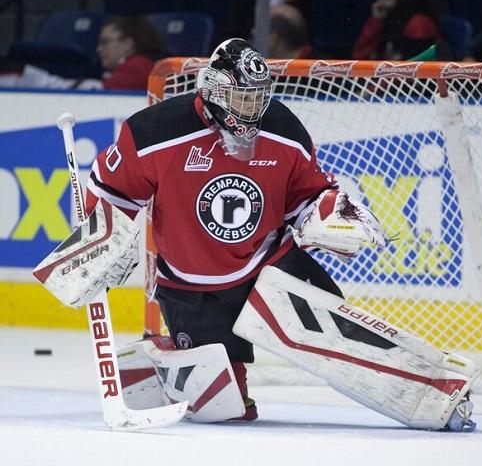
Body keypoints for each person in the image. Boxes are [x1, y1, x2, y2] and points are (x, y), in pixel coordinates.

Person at [83, 38, 385, 421]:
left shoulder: (282, 127)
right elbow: (112, 190)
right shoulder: (156, 130)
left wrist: (329, 212)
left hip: (270, 265)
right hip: (192, 285)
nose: (252, 109)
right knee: (229, 411)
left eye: (258, 97)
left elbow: (308, 193)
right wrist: (100, 242)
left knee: (341, 336)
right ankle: (171, 355)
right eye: (242, 98)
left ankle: (403, 377)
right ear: (212, 89)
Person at [0, 15, 165, 90]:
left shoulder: (139, 67)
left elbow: (100, 93)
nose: (99, 49)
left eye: (105, 42)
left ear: (128, 44)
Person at [351, 0, 443, 60]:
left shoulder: (418, 24)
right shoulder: (389, 17)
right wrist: (376, 19)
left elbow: (414, 69)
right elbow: (359, 56)